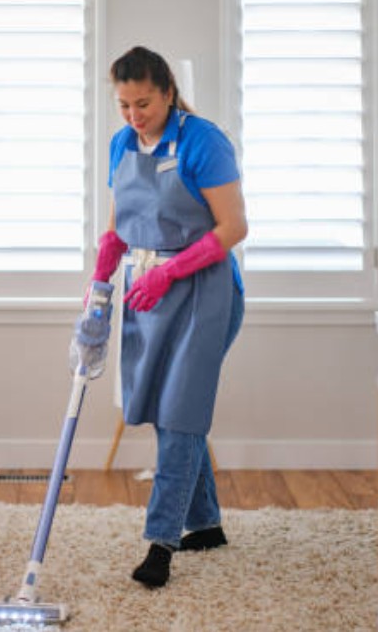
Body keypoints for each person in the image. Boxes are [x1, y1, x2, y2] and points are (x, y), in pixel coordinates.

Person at [91, 46, 248, 588]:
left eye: (145, 103)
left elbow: (233, 228)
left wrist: (170, 272)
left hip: (204, 291)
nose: (135, 115)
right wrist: (99, 280)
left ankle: (161, 544)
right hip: (147, 291)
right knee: (167, 405)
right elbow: (117, 226)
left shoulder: (204, 141)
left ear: (168, 93)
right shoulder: (121, 144)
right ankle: (205, 523)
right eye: (124, 105)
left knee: (180, 410)